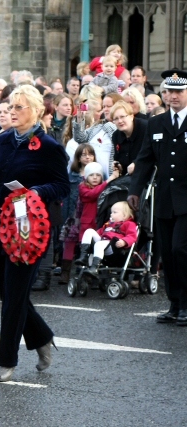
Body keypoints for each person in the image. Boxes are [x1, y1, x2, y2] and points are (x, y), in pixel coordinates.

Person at [0, 84, 70, 382]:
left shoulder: (49, 146)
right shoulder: (1, 141)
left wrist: (37, 190)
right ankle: (43, 337)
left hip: (29, 232)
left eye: (19, 107)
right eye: (10, 107)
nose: (12, 112)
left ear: (36, 111)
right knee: (9, 294)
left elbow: (62, 185)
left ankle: (6, 362)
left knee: (13, 299)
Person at [128, 69, 187, 326]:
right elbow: (144, 159)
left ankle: (186, 304)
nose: (173, 96)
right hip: (164, 199)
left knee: (180, 249)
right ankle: (174, 304)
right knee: (168, 254)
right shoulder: (156, 123)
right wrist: (134, 190)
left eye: (179, 92)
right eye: (169, 92)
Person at [59, 143, 97, 283]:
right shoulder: (73, 176)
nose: (88, 157)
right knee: (69, 241)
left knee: (86, 242)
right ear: (78, 158)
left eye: (90, 154)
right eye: (84, 155)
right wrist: (66, 215)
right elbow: (67, 197)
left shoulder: (98, 175)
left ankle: (84, 271)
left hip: (90, 214)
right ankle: (65, 271)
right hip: (74, 213)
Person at [75, 201, 137, 277]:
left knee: (99, 244)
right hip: (103, 242)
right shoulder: (109, 224)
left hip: (114, 247)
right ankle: (83, 256)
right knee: (89, 231)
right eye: (111, 212)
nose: (111, 214)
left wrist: (124, 241)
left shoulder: (129, 224)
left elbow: (132, 236)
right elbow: (99, 233)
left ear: (124, 215)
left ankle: (94, 267)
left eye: (115, 212)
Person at [78, 162, 119, 242]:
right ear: (86, 177)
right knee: (86, 244)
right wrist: (108, 181)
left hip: (100, 222)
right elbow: (92, 194)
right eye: (91, 175)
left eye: (98, 175)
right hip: (88, 223)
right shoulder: (83, 187)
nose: (95, 177)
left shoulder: (104, 187)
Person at [110, 101, 147, 176]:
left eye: (122, 117)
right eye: (116, 119)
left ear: (131, 116)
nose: (120, 121)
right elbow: (118, 158)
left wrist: (136, 163)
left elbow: (152, 153)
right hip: (128, 178)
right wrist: (117, 165)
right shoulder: (116, 135)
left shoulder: (146, 128)